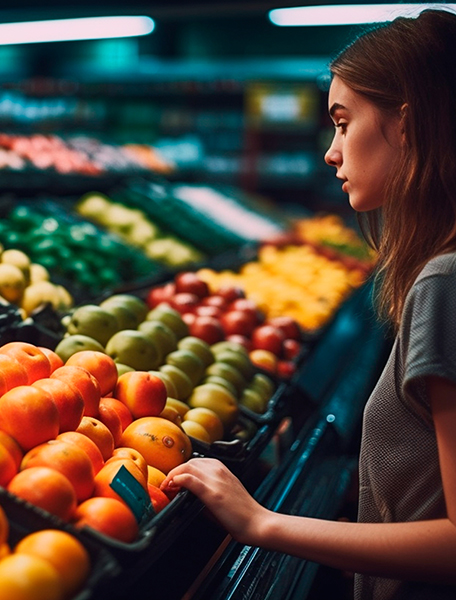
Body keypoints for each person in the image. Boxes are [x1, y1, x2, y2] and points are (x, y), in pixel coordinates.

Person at [161, 8, 456, 600]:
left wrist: (260, 523)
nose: (331, 151)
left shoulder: (443, 284)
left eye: (344, 123)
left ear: (409, 123)